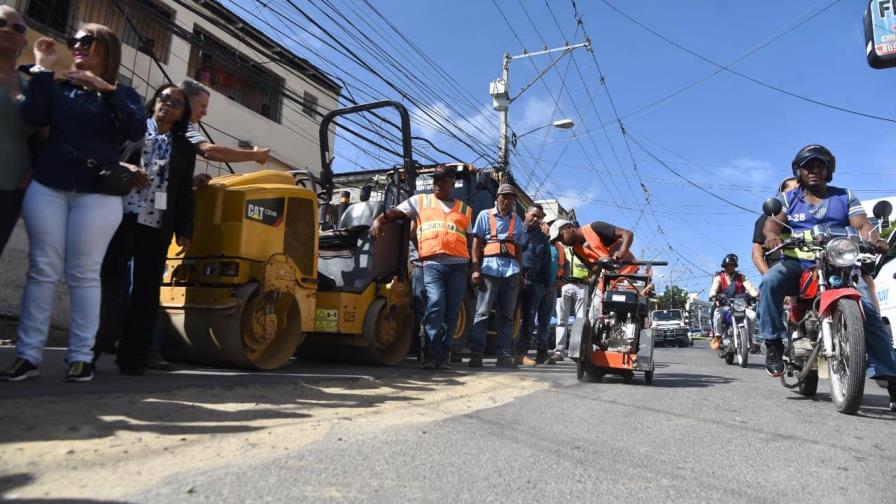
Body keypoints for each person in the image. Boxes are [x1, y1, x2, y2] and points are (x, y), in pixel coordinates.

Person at [0, 25, 146, 382]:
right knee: (42, 269)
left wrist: (105, 90)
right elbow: (35, 116)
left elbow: (135, 129)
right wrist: (43, 68)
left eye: (86, 41)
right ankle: (28, 356)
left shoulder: (123, 94)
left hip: (97, 194)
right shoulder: (58, 85)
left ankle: (81, 357)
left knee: (83, 273)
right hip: (49, 185)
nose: (76, 47)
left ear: (107, 49)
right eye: (74, 41)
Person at [760, 144, 896, 410]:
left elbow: (862, 224)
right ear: (798, 171)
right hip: (799, 264)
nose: (814, 170)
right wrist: (772, 236)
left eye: (819, 165)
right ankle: (773, 342)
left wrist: (875, 238)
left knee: (869, 313)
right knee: (769, 282)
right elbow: (772, 224)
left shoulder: (844, 196)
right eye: (808, 166)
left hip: (840, 263)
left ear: (828, 170)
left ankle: (891, 377)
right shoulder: (788, 199)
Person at [94, 84, 196, 374]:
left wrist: (184, 228)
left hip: (156, 224)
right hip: (121, 217)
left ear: (181, 114)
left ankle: (133, 358)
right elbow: (105, 157)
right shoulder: (133, 130)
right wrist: (128, 168)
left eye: (176, 103)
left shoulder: (185, 148)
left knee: (147, 291)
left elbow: (184, 192)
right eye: (164, 99)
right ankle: (91, 350)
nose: (168, 105)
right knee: (111, 285)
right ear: (153, 103)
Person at [370, 164, 472, 370]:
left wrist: (472, 266)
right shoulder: (421, 201)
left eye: (442, 180)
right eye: (435, 180)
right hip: (432, 264)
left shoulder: (465, 209)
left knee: (452, 312)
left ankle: (444, 356)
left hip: (458, 266)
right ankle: (430, 352)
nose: (437, 183)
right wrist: (378, 221)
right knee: (435, 305)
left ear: (452, 183)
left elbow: (468, 238)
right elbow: (397, 212)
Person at [468, 184, 525, 369]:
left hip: (512, 271)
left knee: (507, 316)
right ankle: (476, 354)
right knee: (482, 312)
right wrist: (475, 268)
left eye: (511, 198)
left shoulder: (517, 220)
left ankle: (503, 355)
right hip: (489, 270)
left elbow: (519, 249)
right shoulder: (485, 215)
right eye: (504, 197)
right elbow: (476, 242)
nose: (507, 200)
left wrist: (521, 272)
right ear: (498, 197)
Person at [552, 219, 637, 326]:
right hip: (606, 280)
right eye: (559, 240)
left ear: (569, 228)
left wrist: (621, 253)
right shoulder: (576, 250)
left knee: (626, 311)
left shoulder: (595, 228)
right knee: (594, 316)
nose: (562, 241)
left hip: (627, 275)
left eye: (561, 236)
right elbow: (595, 270)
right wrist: (600, 264)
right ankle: (596, 339)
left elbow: (628, 234)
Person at [179, 79, 271, 165]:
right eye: (202, 106)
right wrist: (256, 155)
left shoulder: (175, 127)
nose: (205, 112)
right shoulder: (181, 125)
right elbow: (209, 151)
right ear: (186, 101)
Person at [0, 6, 30, 257]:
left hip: (9, 193)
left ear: (24, 41)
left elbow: (44, 136)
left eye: (16, 27)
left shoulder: (30, 88)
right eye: (1, 22)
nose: (7, 29)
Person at [514, 204, 551, 366]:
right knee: (509, 316)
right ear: (526, 213)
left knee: (529, 320)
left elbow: (547, 264)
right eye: (533, 215)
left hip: (535, 283)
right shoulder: (514, 230)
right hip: (514, 278)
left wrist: (548, 285)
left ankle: (521, 354)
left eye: (539, 217)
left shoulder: (543, 239)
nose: (536, 219)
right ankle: (505, 352)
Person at [549, 221, 591, 363]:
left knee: (580, 321)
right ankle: (559, 351)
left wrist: (591, 278)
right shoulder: (560, 247)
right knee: (561, 320)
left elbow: (594, 265)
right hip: (565, 285)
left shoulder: (586, 246)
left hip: (582, 285)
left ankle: (578, 351)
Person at [708, 254, 758, 348]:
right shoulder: (719, 278)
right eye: (728, 265)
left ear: (735, 266)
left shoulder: (742, 277)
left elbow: (750, 288)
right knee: (717, 314)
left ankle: (749, 338)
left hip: (740, 305)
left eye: (732, 265)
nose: (730, 267)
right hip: (725, 306)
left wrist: (755, 295)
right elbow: (713, 289)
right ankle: (718, 337)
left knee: (753, 316)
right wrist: (714, 296)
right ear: (724, 266)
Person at [752, 177, 799, 275]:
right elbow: (756, 254)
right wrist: (768, 277)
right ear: (781, 196)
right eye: (792, 191)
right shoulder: (769, 217)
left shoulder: (811, 215)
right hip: (783, 268)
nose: (796, 194)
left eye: (800, 190)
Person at [536, 219, 561, 364]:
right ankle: (520, 352)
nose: (551, 227)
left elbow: (565, 265)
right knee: (528, 319)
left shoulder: (558, 247)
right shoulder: (536, 240)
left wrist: (561, 280)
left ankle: (542, 353)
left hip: (550, 288)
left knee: (544, 321)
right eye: (549, 224)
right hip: (536, 285)